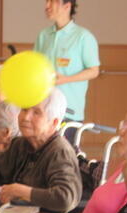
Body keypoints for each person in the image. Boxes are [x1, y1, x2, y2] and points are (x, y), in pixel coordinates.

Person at [35, 0, 99, 135]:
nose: (47, 6)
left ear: (67, 6)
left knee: (63, 153)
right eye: (47, 1)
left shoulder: (83, 37)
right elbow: (35, 66)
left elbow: (94, 70)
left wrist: (66, 79)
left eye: (52, 2)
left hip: (69, 111)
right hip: (42, 108)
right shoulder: (44, 35)